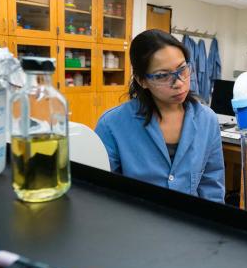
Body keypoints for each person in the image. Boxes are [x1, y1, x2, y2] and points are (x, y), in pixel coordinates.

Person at [96, 29, 225, 202]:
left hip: (189, 224)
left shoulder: (207, 120)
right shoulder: (112, 125)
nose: (179, 83)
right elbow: (100, 192)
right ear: (142, 81)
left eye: (182, 69)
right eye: (163, 76)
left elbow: (212, 186)